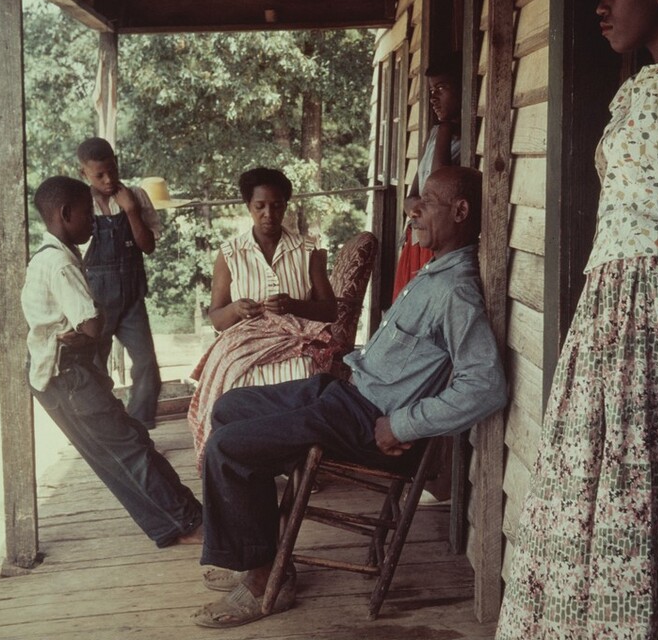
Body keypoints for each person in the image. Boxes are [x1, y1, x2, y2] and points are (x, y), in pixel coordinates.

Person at [496, 0, 658, 639]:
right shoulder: (630, 93)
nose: (601, 5)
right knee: (589, 486)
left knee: (655, 481)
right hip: (606, 318)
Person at [191, 166, 507, 628]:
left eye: (427, 202)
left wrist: (403, 424)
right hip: (347, 394)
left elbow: (486, 385)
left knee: (228, 446)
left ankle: (262, 581)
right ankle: (262, 551)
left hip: (368, 420)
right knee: (229, 407)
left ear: (460, 212)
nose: (412, 209)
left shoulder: (456, 291)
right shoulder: (434, 271)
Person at [21, 176, 203, 548]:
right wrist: (95, 317)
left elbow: (81, 325)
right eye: (88, 214)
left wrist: (84, 324)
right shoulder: (59, 264)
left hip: (59, 374)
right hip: (68, 376)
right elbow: (91, 325)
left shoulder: (50, 254)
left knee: (122, 450)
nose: (93, 221)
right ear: (65, 213)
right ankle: (189, 521)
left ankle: (172, 525)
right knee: (130, 450)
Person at [187, 167, 337, 468]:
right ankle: (246, 458)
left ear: (285, 206)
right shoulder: (230, 253)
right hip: (245, 339)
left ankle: (294, 462)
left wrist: (294, 304)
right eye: (260, 206)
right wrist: (236, 310)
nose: (269, 213)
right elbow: (217, 318)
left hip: (294, 337)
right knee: (234, 377)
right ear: (249, 207)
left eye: (277, 205)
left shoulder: (308, 250)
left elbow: (330, 310)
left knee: (301, 370)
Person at [77, 136, 162, 428]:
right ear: (83, 173)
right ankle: (105, 426)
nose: (109, 179)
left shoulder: (135, 195)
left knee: (147, 364)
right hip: (95, 303)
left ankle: (141, 425)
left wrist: (131, 211)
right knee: (94, 367)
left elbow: (147, 246)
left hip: (131, 301)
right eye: (99, 174)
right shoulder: (79, 204)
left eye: (112, 170)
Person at [392, 52, 463, 301]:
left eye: (441, 88)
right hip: (416, 236)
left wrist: (445, 126)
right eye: (431, 90)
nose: (433, 97)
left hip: (437, 242)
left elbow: (436, 182)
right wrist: (419, 206)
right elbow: (412, 197)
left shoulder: (461, 141)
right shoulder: (434, 137)